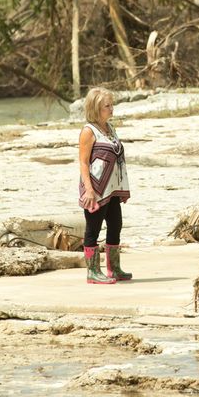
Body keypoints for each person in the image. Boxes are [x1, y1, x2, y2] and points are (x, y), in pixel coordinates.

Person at [78, 87, 132, 284]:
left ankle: (114, 269)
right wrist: (89, 190)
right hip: (96, 189)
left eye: (112, 105)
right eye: (106, 106)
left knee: (116, 225)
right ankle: (92, 272)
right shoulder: (88, 131)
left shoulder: (110, 129)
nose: (111, 109)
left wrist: (123, 188)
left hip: (112, 189)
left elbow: (118, 159)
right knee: (93, 228)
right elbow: (83, 163)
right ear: (95, 108)